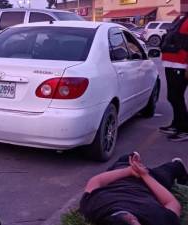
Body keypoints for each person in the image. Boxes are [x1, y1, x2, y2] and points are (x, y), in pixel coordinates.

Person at [79, 152, 188, 225]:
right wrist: (144, 175)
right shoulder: (159, 219)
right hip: (146, 181)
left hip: (121, 175)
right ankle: (133, 159)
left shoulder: (93, 208)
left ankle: (131, 159)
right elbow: (172, 203)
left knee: (123, 161)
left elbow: (96, 181)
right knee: (170, 169)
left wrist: (129, 171)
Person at [160, 13, 188, 142]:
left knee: (175, 97)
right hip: (170, 62)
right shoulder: (181, 18)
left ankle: (184, 130)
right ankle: (177, 124)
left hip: (181, 65)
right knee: (173, 96)